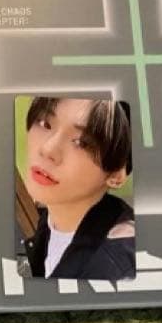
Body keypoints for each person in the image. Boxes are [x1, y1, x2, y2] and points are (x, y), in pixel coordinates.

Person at [19, 97, 135, 281]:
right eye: (45, 124)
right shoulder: (53, 215)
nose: (48, 149)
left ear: (115, 174)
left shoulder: (114, 271)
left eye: (81, 143)